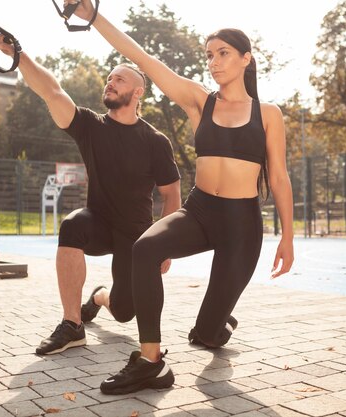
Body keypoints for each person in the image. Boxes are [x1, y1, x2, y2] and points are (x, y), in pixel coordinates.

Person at [68, 0, 295, 395]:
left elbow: (278, 176)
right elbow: (142, 57)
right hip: (201, 209)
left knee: (206, 334)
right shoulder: (199, 100)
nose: (214, 62)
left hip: (241, 224)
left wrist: (288, 238)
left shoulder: (269, 114)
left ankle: (217, 322)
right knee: (145, 248)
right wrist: (93, 17)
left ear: (246, 58)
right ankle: (150, 362)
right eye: (209, 55)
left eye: (223, 53)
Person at [0, 34, 182, 355]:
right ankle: (72, 324)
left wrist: (164, 243)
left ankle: (98, 298)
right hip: (99, 223)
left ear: (137, 92)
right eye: (109, 78)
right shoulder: (91, 126)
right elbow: (51, 91)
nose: (110, 82)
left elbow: (172, 195)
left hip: (136, 236)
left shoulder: (155, 140)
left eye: (119, 79)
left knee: (123, 311)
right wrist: (18, 54)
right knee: (71, 225)